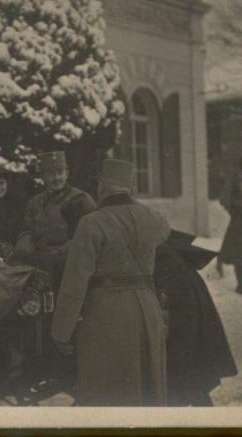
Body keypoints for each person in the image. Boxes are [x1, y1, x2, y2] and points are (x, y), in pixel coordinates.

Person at [51, 159, 170, 406]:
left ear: (102, 187)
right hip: (148, 310)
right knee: (147, 390)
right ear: (131, 188)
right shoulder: (155, 219)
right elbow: (163, 231)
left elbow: (75, 283)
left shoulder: (91, 223)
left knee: (107, 392)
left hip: (107, 312)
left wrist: (61, 331)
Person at [154, 232, 238, 406]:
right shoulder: (142, 219)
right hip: (183, 285)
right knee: (190, 363)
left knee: (183, 359)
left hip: (176, 292)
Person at [13, 151, 97, 289]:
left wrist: (63, 252)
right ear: (43, 176)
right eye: (51, 173)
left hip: (70, 263)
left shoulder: (82, 199)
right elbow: (27, 231)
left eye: (60, 172)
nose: (56, 178)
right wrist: (24, 250)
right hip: (41, 261)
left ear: (67, 173)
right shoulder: (35, 202)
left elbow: (91, 235)